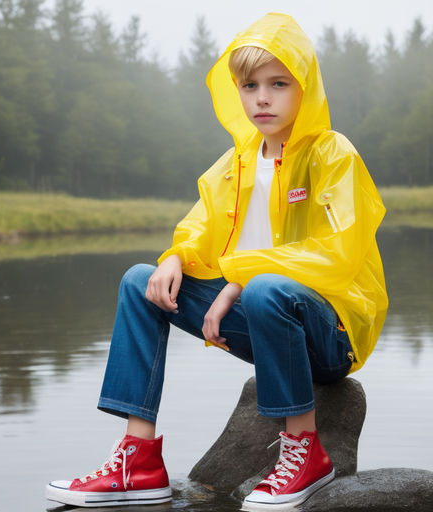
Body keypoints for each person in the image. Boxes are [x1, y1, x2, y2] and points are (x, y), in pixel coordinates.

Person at [45, 12, 388, 509]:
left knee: (267, 289)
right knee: (140, 280)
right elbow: (200, 230)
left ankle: (305, 452)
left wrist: (236, 281)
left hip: (331, 334)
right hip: (266, 325)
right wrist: (176, 257)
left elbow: (337, 253)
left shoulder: (333, 155)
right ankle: (139, 460)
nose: (262, 98)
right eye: (250, 86)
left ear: (305, 88)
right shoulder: (235, 164)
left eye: (278, 83)